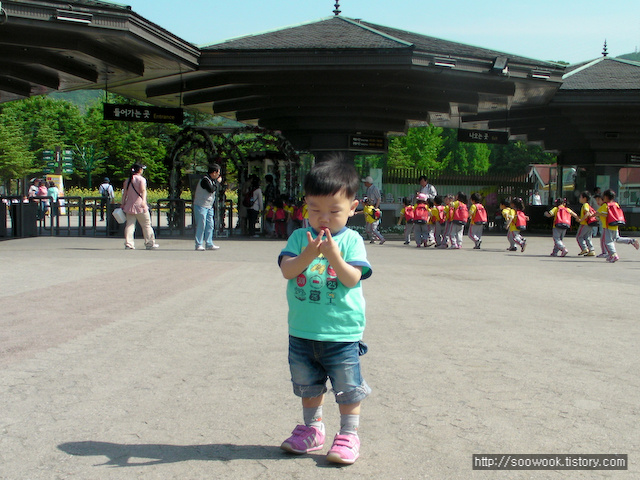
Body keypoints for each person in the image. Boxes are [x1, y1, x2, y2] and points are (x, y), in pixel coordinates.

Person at [278, 156, 372, 465]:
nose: (323, 218)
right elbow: (288, 271)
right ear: (305, 205)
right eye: (315, 209)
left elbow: (351, 278)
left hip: (342, 334)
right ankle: (312, 429)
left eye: (334, 211)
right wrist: (309, 251)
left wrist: (332, 255)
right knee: (308, 385)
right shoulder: (297, 237)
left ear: (352, 208)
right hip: (303, 331)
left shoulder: (352, 241)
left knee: (347, 389)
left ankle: (348, 434)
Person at [121, 163, 158, 250]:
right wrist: (144, 201)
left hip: (129, 205)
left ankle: (128, 243)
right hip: (140, 205)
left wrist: (122, 203)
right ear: (140, 170)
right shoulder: (141, 180)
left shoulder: (127, 180)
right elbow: (143, 191)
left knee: (130, 225)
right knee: (146, 225)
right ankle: (149, 243)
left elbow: (124, 194)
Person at [597, 189, 639, 262]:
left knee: (608, 242)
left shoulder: (605, 205)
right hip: (615, 225)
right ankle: (631, 241)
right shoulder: (615, 204)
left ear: (606, 197)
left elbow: (603, 213)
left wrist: (597, 214)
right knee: (617, 239)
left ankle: (613, 255)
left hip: (607, 226)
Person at [193, 164, 222, 251]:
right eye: (218, 172)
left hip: (209, 206)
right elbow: (211, 189)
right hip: (200, 205)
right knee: (201, 225)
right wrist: (218, 182)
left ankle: (209, 243)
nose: (219, 175)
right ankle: (198, 244)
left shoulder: (211, 180)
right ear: (214, 172)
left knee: (210, 224)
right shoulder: (205, 180)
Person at [576, 191, 597, 257]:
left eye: (580, 197)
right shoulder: (588, 205)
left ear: (584, 198)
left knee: (579, 236)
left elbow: (587, 213)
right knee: (588, 237)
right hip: (589, 224)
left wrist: (580, 220)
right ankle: (591, 250)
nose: (579, 198)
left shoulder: (585, 205)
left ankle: (584, 248)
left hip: (584, 224)